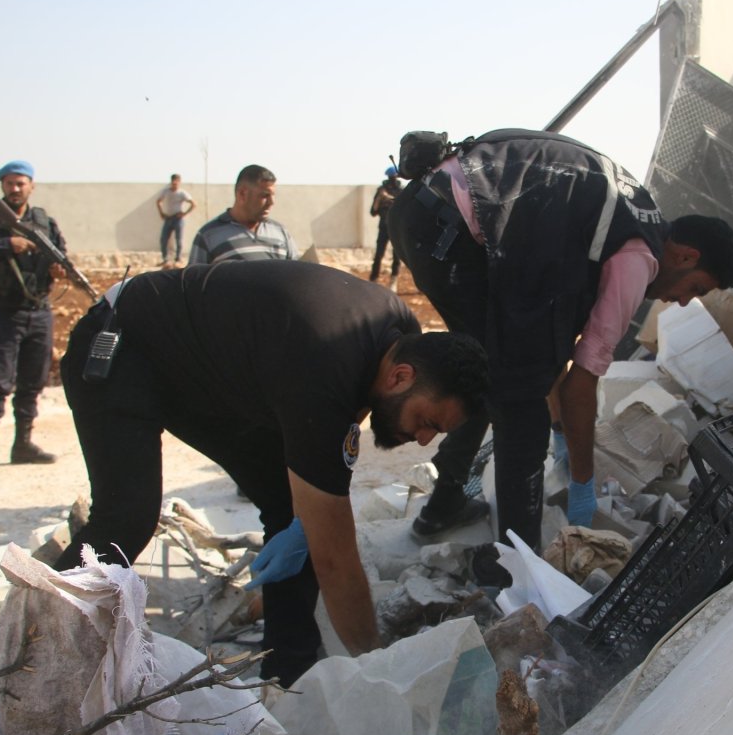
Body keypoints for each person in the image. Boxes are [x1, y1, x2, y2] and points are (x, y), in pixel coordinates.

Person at [53, 261, 489, 686]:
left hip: (201, 373)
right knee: (126, 517)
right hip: (121, 344)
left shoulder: (400, 336)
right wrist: (376, 664)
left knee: (293, 511)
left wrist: (308, 519)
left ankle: (285, 678)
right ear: (401, 377)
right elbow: (336, 559)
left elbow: (348, 413)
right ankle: (34, 644)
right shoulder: (324, 363)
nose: (425, 439)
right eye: (428, 421)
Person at [387, 128, 733, 549]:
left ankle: (443, 507)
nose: (683, 303)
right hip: (452, 233)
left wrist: (562, 431)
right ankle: (517, 571)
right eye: (696, 289)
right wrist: (581, 482)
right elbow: (579, 385)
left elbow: (551, 354)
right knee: (521, 411)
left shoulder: (631, 215)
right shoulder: (637, 258)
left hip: (426, 213)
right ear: (685, 257)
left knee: (487, 374)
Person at [0, 160, 69, 476]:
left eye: (20, 183)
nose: (15, 189)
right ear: (2, 186)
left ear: (31, 186)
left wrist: (58, 269)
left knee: (34, 380)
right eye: (10, 183)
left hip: (39, 310)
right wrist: (6, 244)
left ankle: (23, 443)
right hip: (4, 310)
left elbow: (62, 255)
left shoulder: (44, 222)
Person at [187, 165, 297, 264]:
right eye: (264, 196)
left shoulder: (280, 232)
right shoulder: (208, 236)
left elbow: (296, 276)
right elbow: (193, 282)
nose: (271, 202)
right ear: (242, 194)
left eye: (273, 195)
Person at [368, 165, 402, 282]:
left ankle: (394, 279)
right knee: (379, 254)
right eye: (390, 176)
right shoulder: (381, 190)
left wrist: (390, 199)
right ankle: (374, 278)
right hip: (384, 227)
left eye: (393, 176)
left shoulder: (402, 191)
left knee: (397, 255)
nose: (392, 178)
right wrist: (379, 199)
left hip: (397, 228)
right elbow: (373, 211)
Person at [155, 173, 195, 266]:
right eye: (173, 182)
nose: (174, 184)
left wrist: (184, 213)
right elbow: (158, 201)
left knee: (179, 239)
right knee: (164, 239)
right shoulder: (166, 191)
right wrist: (161, 213)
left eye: (176, 182)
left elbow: (193, 204)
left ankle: (178, 258)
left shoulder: (182, 193)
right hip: (168, 218)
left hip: (178, 218)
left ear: (179, 182)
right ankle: (165, 259)